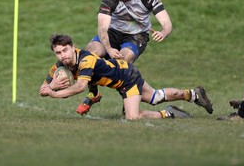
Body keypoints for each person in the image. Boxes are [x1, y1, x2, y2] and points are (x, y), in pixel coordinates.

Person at [39, 34, 214, 120]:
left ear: (72, 47)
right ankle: (193, 94)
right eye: (58, 53)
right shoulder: (59, 66)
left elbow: (80, 87)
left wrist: (54, 92)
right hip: (125, 74)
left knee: (132, 117)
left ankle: (169, 113)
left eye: (65, 50)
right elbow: (43, 89)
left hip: (127, 77)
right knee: (155, 97)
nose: (63, 55)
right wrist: (51, 86)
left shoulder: (86, 60)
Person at [77, 0, 173, 115]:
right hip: (113, 32)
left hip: (137, 35)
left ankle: (128, 101)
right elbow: (102, 29)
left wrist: (163, 32)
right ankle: (93, 93)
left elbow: (167, 23)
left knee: (123, 61)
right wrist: (108, 49)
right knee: (90, 52)